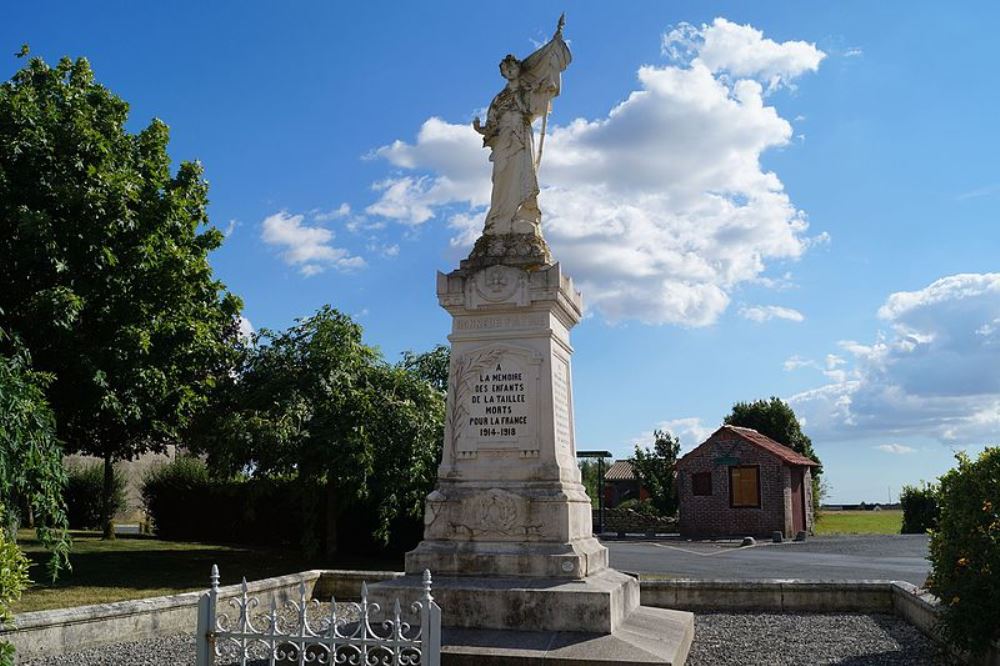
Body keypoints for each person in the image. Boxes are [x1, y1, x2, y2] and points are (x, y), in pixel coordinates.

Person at [473, 16, 571, 237]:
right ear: (503, 74)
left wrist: (544, 90)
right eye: (505, 71)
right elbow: (492, 125)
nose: (509, 72)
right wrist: (481, 129)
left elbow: (535, 108)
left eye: (512, 68)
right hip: (504, 140)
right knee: (500, 176)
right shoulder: (499, 98)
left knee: (521, 173)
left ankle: (521, 216)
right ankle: (498, 218)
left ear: (518, 68)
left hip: (520, 135)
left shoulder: (527, 88)